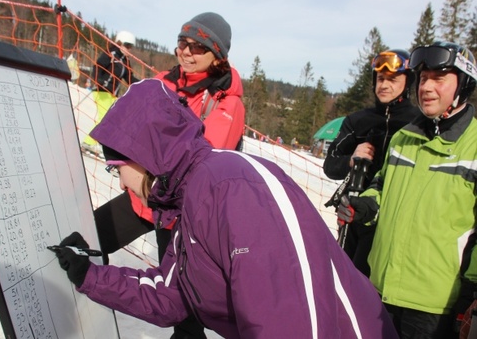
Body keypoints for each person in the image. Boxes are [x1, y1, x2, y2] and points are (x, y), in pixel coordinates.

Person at [53, 78, 398, 339]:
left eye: (116, 168)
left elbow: (290, 323)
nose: (119, 182)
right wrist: (89, 275)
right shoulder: (189, 199)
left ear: (143, 154)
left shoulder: (232, 190)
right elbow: (171, 293)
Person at [93, 12, 245, 339]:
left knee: (183, 309)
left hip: (179, 217)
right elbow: (128, 128)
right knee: (92, 237)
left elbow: (205, 161)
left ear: (217, 56)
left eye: (197, 47)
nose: (187, 53)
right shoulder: (163, 81)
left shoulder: (226, 101)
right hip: (144, 199)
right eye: (182, 44)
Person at [337, 41, 477, 338]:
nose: (426, 87)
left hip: (433, 307)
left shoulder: (474, 146)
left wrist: (472, 293)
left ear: (463, 84)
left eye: (439, 79)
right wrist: (366, 207)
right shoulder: (404, 138)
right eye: (424, 78)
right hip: (380, 291)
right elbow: (381, 187)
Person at [323, 49, 420, 277]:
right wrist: (351, 159)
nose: (384, 85)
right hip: (353, 215)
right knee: (346, 279)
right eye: (380, 79)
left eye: (393, 79)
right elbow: (330, 166)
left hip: (392, 219)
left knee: (375, 284)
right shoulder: (357, 121)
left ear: (408, 83)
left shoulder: (416, 123)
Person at [81, 30, 139, 158]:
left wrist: (143, 84)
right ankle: (88, 142)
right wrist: (99, 81)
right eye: (127, 45)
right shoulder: (111, 54)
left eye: (130, 47)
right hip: (102, 90)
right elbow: (97, 67)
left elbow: (129, 78)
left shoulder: (125, 61)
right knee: (105, 118)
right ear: (119, 43)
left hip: (112, 94)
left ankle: (92, 142)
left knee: (111, 119)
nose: (129, 49)